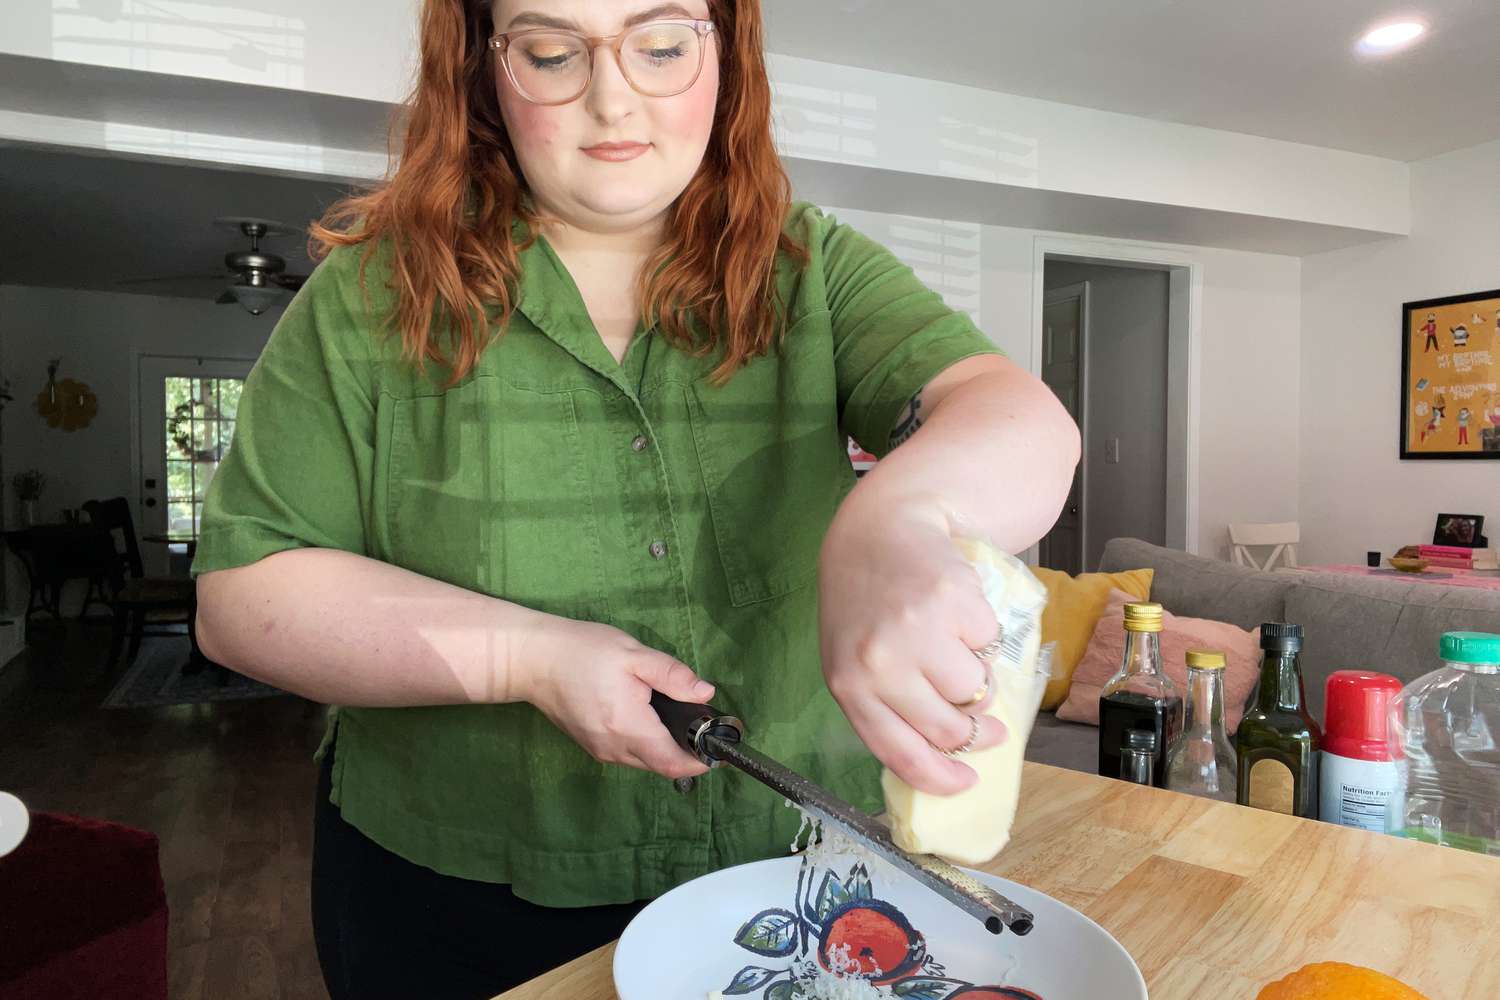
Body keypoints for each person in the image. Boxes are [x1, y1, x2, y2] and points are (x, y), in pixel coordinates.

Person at [191, 1, 1078, 997]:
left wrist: (898, 519)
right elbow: (241, 598)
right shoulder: (368, 295)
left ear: (725, 54)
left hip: (789, 877)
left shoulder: (811, 266)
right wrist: (529, 658)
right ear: (485, 69)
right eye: (552, 51)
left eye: (660, 45)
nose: (613, 98)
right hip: (450, 902)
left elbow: (1019, 418)